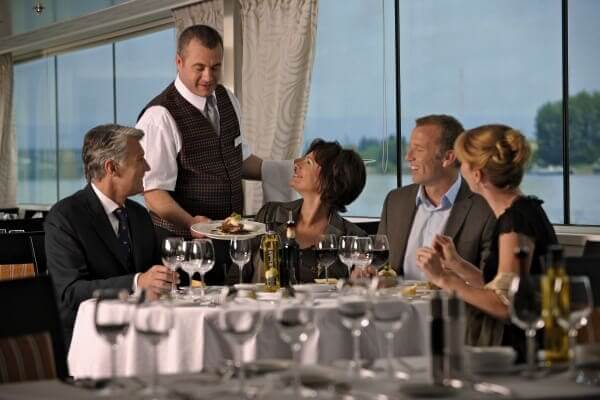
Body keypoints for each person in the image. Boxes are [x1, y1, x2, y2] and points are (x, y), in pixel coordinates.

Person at [137, 24, 290, 284]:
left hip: (229, 245)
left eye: (216, 67)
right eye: (199, 68)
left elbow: (238, 160)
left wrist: (285, 169)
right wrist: (192, 223)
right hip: (183, 250)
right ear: (179, 62)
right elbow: (153, 193)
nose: (208, 76)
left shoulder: (227, 99)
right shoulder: (159, 116)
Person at [416, 124, 557, 352]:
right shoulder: (525, 210)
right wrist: (458, 265)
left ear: (477, 175)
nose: (460, 170)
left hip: (520, 351)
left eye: (462, 164)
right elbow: (502, 286)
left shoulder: (515, 222)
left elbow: (506, 304)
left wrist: (444, 278)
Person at [45, 124, 176, 348]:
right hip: (89, 339)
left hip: (141, 332)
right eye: (139, 159)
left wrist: (165, 280)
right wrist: (137, 282)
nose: (147, 167)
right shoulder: (64, 217)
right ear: (112, 168)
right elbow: (71, 292)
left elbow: (155, 272)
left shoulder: (139, 215)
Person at [357, 115, 495, 280]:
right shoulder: (395, 201)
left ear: (448, 158)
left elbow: (493, 287)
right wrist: (368, 272)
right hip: (394, 305)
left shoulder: (484, 209)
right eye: (410, 148)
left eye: (419, 149)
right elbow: (379, 265)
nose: (408, 156)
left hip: (451, 305)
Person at [231, 139, 366, 284]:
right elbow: (235, 277)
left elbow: (363, 289)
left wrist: (358, 282)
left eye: (308, 162)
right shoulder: (270, 214)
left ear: (329, 177)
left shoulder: (353, 238)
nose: (296, 165)